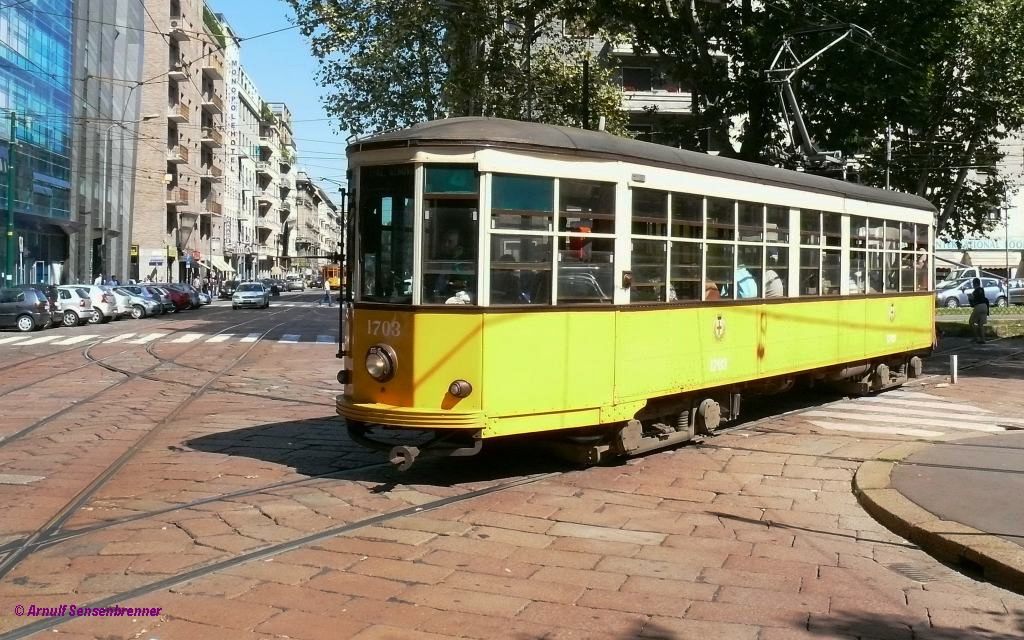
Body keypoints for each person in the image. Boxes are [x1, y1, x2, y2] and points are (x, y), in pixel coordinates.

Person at [968, 277, 989, 344]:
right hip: (985, 306)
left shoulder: (975, 291)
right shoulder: (982, 290)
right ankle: (983, 339)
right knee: (981, 324)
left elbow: (972, 303)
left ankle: (976, 337)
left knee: (971, 322)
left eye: (973, 283)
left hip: (978, 307)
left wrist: (970, 298)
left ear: (974, 284)